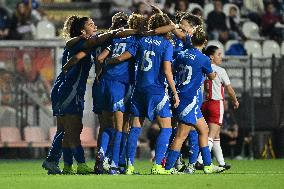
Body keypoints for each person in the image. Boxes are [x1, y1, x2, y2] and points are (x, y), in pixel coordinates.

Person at [42, 15, 118, 175]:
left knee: (64, 129)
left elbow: (75, 49)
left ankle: (62, 164)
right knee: (74, 129)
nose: (95, 26)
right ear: (83, 31)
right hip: (71, 90)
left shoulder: (77, 43)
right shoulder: (83, 44)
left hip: (63, 88)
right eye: (91, 24)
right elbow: (79, 55)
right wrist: (115, 32)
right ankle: (80, 163)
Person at [105, 13, 179, 175]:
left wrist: (107, 62)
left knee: (134, 129)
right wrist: (174, 92)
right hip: (157, 91)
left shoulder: (140, 40)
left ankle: (129, 167)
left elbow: (122, 58)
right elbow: (167, 71)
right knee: (166, 128)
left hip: (139, 91)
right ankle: (157, 166)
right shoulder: (167, 44)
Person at [164, 26, 225, 174]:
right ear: (204, 41)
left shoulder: (182, 54)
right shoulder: (203, 58)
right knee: (181, 135)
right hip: (189, 100)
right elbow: (212, 76)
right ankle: (168, 168)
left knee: (204, 130)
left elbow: (172, 70)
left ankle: (208, 166)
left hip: (182, 96)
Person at [195, 45, 239, 170]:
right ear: (211, 57)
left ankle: (221, 162)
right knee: (211, 135)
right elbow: (229, 89)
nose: (221, 57)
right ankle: (200, 160)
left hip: (205, 103)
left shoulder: (202, 69)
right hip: (216, 104)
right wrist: (235, 100)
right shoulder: (220, 70)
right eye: (218, 54)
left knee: (216, 135)